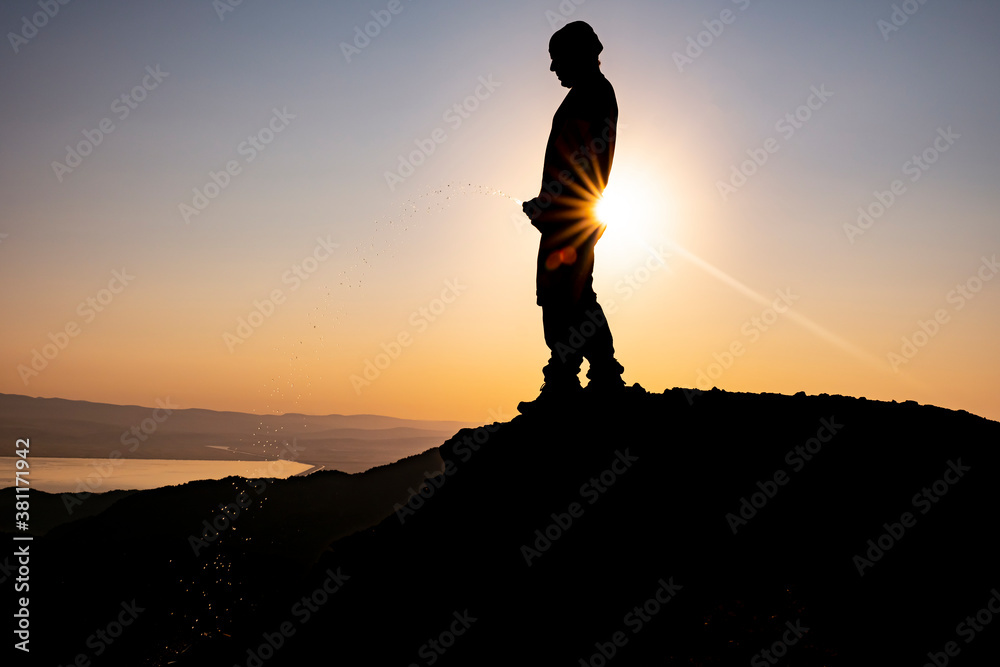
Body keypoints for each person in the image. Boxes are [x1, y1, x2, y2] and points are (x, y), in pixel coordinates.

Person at [518, 21, 626, 412]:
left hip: (572, 216)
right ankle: (584, 377)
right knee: (567, 295)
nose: (552, 69)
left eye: (556, 59)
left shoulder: (590, 94)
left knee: (566, 296)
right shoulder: (591, 92)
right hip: (572, 212)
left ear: (577, 54)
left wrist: (552, 203)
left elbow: (581, 161)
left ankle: (578, 380)